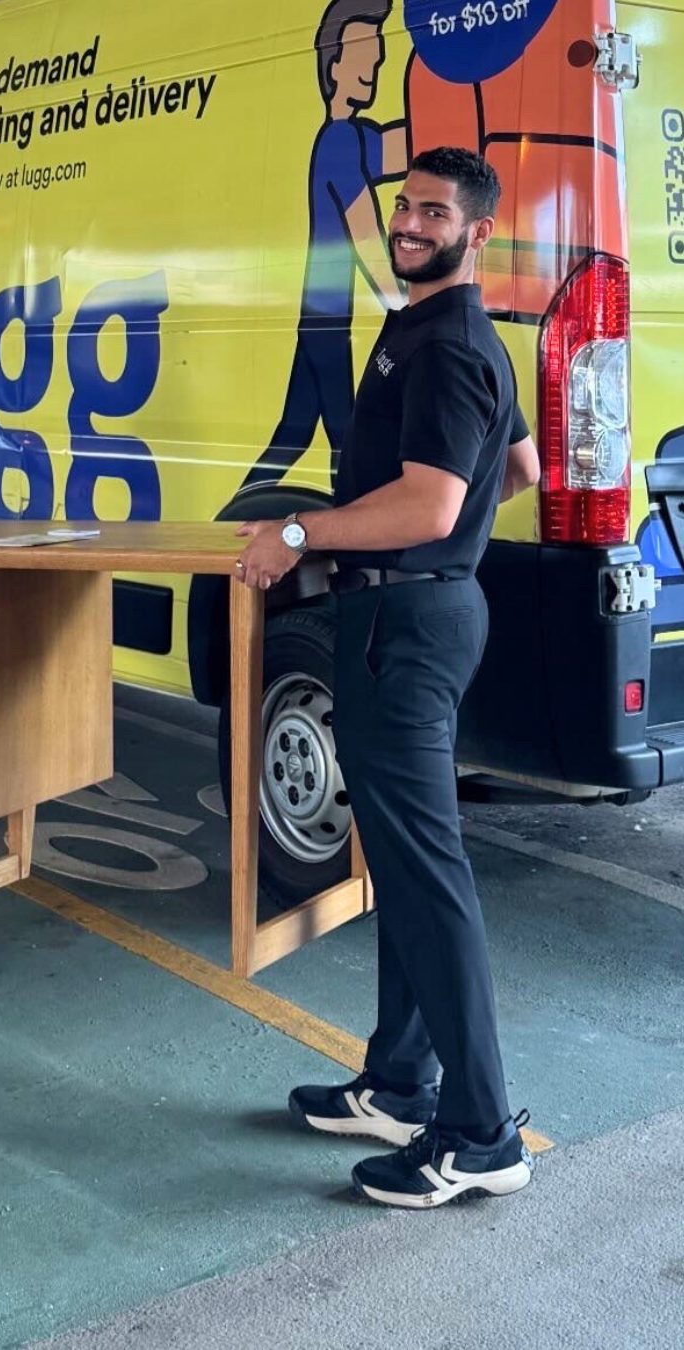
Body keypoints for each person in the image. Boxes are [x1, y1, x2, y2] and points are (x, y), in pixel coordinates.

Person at [234, 146, 541, 1208]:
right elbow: (518, 469)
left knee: (425, 874)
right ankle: (402, 1082)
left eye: (433, 212)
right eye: (404, 206)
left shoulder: (450, 343)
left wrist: (299, 527)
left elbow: (431, 505)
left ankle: (480, 1132)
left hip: (402, 627)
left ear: (477, 232)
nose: (410, 223)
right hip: (415, 617)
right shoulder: (442, 332)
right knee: (406, 864)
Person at [243, 0, 406, 493]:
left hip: (322, 315)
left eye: (376, 61)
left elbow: (410, 142)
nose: (372, 70)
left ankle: (224, 533)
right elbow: (365, 236)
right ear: (333, 66)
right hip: (327, 321)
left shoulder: (353, 137)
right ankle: (352, 542)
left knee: (292, 436)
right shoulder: (337, 142)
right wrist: (403, 305)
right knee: (346, 442)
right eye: (363, 61)